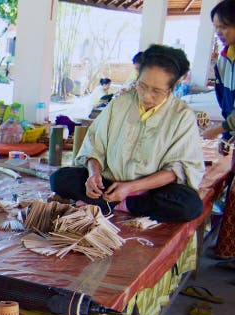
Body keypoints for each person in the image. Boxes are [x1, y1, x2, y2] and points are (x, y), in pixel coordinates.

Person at [49, 44, 204, 223]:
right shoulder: (119, 103)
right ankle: (108, 200)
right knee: (59, 179)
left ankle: (124, 204)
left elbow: (176, 170)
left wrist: (131, 187)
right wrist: (94, 174)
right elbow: (94, 146)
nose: (146, 96)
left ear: (172, 87)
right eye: (142, 86)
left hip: (151, 191)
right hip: (110, 184)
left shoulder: (182, 116)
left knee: (190, 205)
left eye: (156, 91)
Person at [203, 0, 235, 260]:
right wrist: (226, 130)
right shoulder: (224, 60)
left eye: (224, 27)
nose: (219, 32)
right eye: (217, 27)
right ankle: (226, 249)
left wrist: (222, 128)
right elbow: (225, 98)